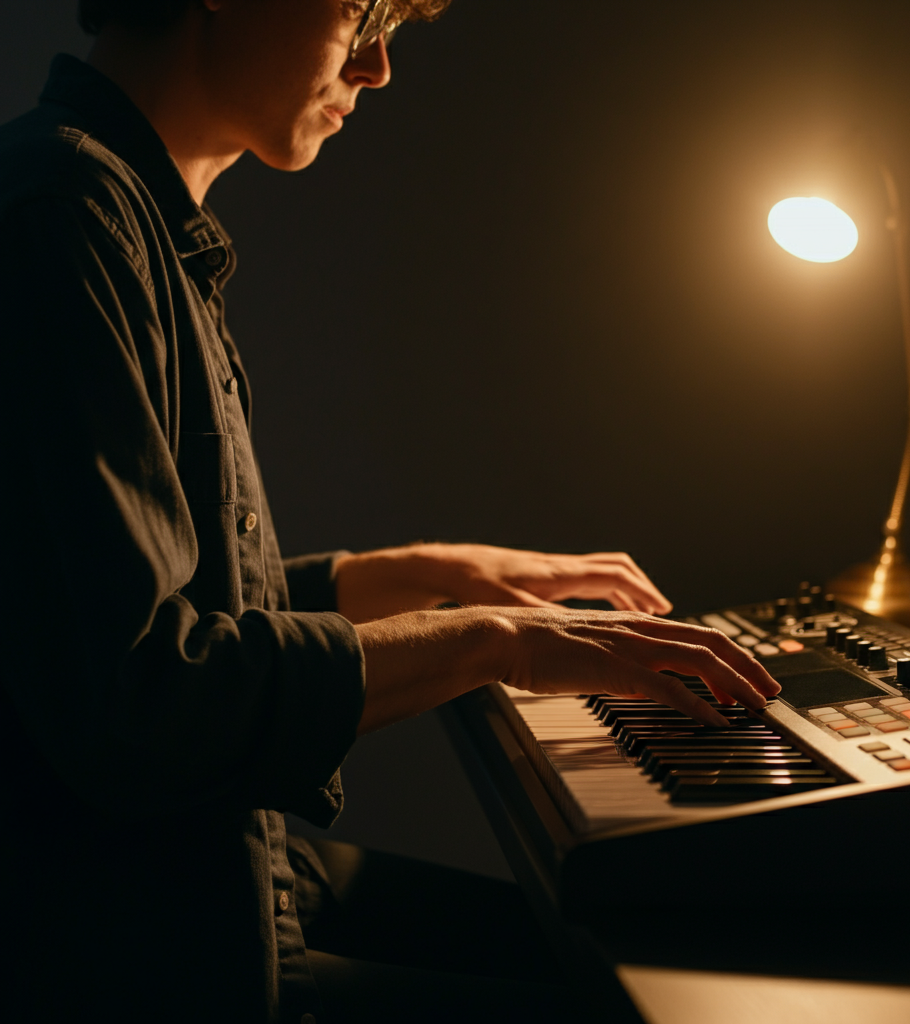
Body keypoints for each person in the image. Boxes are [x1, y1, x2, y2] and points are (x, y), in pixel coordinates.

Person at [0, 1, 780, 1020]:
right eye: (363, 10)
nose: (377, 70)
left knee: (618, 947)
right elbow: (138, 698)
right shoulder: (61, 217)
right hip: (131, 940)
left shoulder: (120, 210)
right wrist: (497, 642)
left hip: (204, 873)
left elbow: (140, 599)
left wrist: (427, 572)